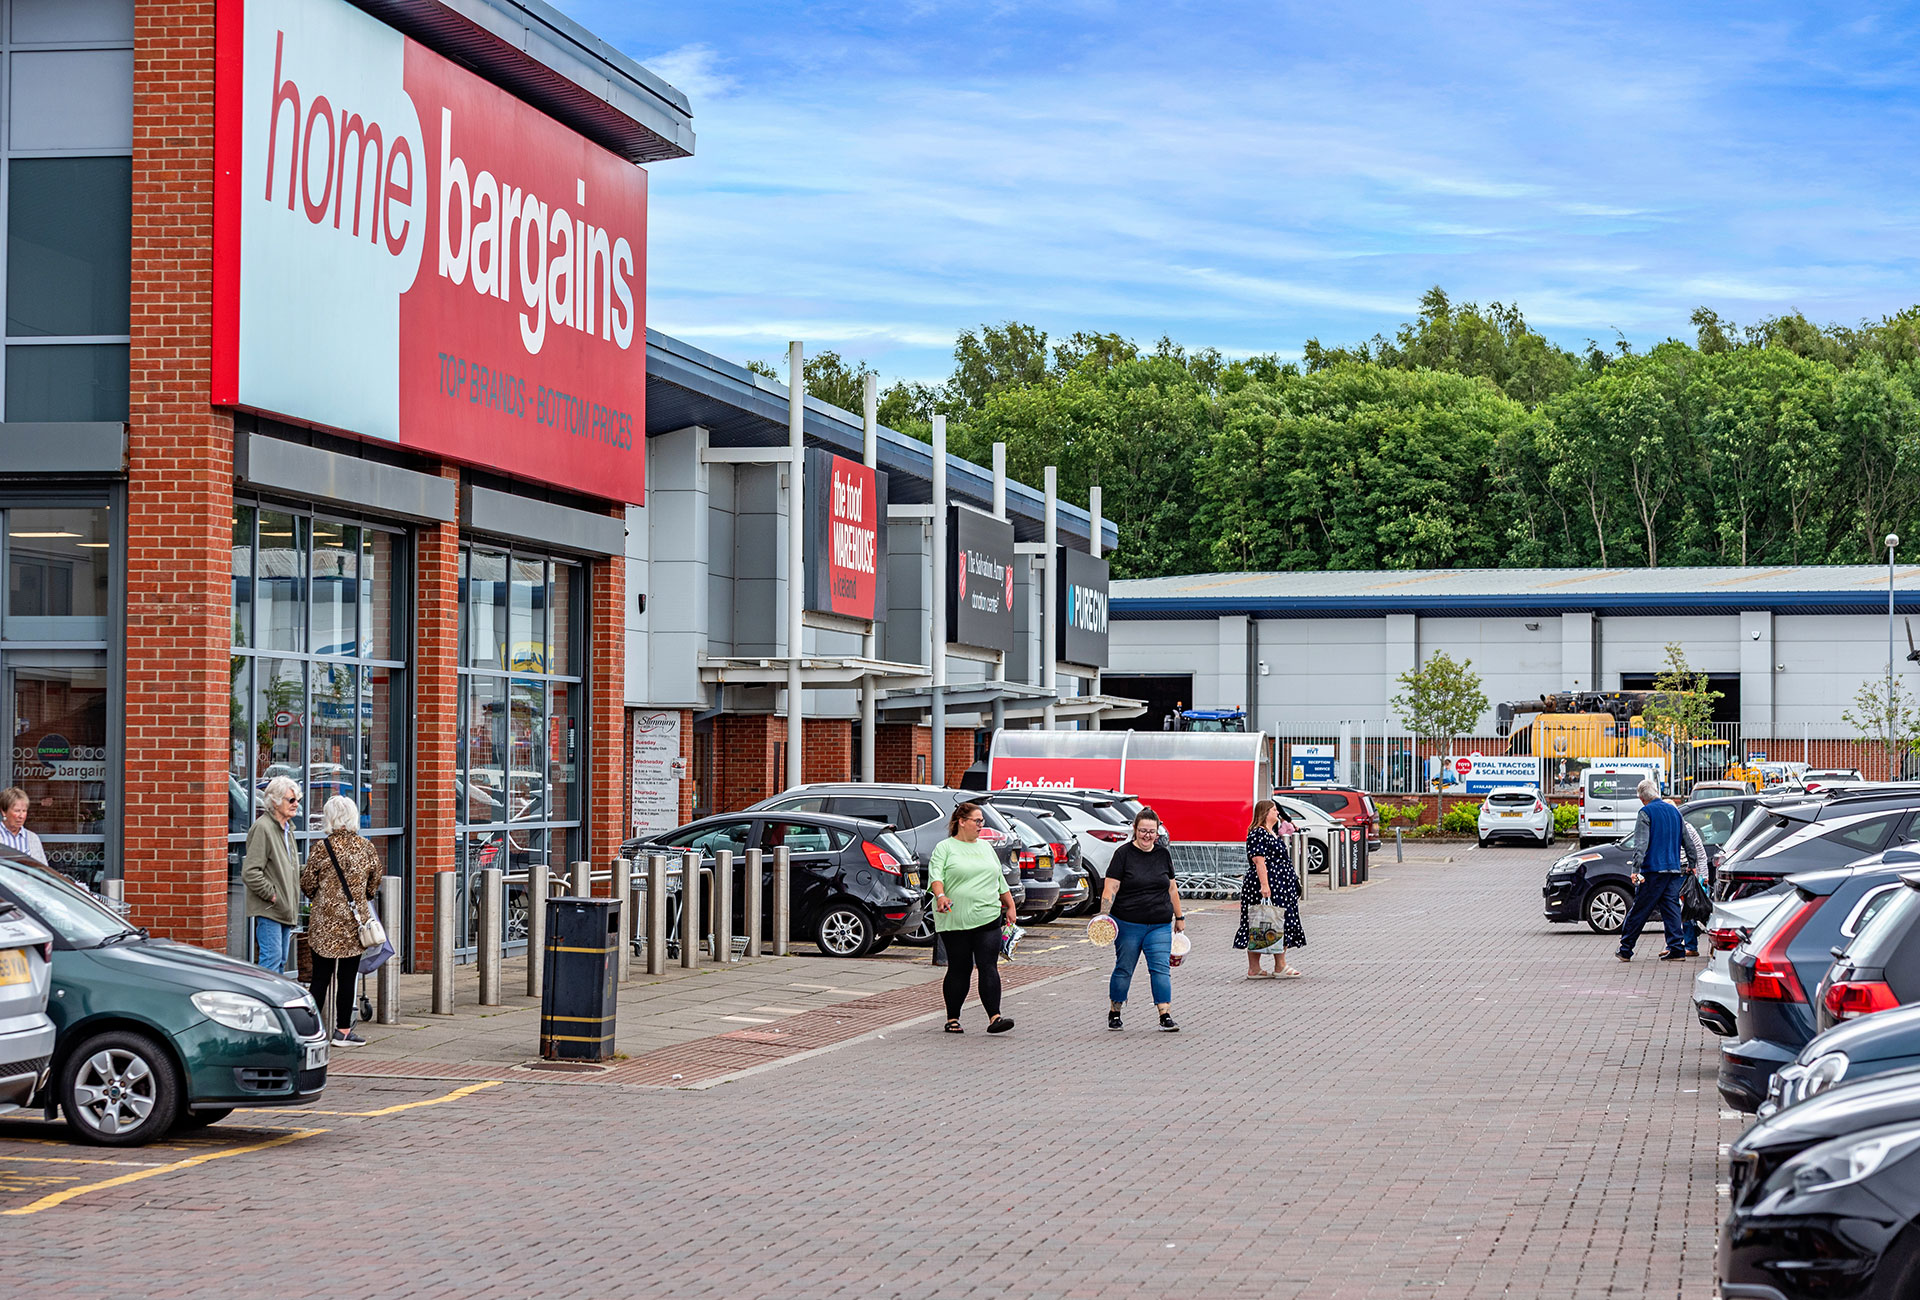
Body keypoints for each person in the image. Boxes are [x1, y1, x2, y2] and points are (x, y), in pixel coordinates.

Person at [300, 795, 384, 1047]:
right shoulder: (366, 847)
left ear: (330, 818)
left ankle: (309, 1031)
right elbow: (374, 882)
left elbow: (307, 883)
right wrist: (361, 896)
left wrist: (322, 897)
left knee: (320, 978)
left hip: (324, 922)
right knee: (347, 978)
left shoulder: (321, 848)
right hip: (353, 923)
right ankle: (343, 1031)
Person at [928, 800, 1017, 1035]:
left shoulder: (986, 847)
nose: (981, 825)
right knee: (960, 967)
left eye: (982, 821)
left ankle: (995, 1017)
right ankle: (952, 1018)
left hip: (988, 914)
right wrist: (941, 896)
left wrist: (1010, 905)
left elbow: (999, 879)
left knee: (988, 965)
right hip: (955, 918)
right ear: (961, 822)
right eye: (977, 821)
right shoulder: (945, 848)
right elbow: (936, 876)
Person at [1098, 808, 1184, 1031]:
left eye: (1152, 831)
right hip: (1128, 923)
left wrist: (1179, 917)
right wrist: (1104, 915)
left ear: (1157, 832)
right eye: (1143, 831)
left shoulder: (1163, 854)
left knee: (1160, 969)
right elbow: (1111, 887)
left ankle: (1165, 1014)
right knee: (1124, 968)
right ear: (1135, 830)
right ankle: (1115, 1011)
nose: (1147, 835)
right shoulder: (1123, 854)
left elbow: (1172, 888)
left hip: (1159, 924)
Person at [1616, 779, 1705, 962]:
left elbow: (1641, 843)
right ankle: (1676, 949)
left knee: (1640, 909)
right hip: (1673, 870)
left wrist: (1635, 869)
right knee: (1671, 909)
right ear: (1656, 792)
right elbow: (1687, 840)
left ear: (1641, 798)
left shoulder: (1645, 812)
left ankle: (1625, 949)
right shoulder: (1674, 811)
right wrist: (1692, 863)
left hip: (1653, 870)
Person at [1235, 799, 1305, 978]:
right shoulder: (1258, 833)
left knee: (1279, 920)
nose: (1277, 813)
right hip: (1268, 884)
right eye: (1274, 810)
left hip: (1281, 884)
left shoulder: (1271, 833)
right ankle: (1269, 967)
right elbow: (1259, 860)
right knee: (1260, 921)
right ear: (1265, 813)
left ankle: (1269, 966)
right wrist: (1265, 885)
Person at [242, 775, 302, 973]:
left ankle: (277, 995)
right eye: (291, 800)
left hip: (284, 909)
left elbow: (289, 868)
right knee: (271, 961)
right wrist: (273, 895)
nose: (296, 804)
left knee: (281, 961)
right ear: (275, 802)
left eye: (297, 799)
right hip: (270, 910)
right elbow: (250, 872)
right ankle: (262, 995)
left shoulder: (287, 830)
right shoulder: (263, 828)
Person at [0, 787, 45, 864]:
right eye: (17, 811)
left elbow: (42, 867)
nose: (21, 816)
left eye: (24, 811)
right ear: (4, 812)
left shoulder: (33, 838)